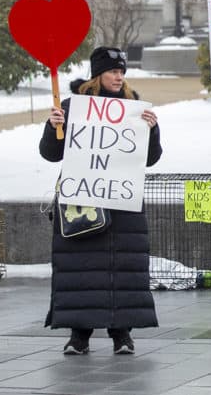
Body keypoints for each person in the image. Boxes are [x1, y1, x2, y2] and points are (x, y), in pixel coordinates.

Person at [39, 46, 163, 356]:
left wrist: (152, 128)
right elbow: (51, 153)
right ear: (98, 74)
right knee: (81, 269)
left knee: (122, 270)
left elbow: (151, 158)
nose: (119, 76)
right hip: (84, 202)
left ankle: (122, 333)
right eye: (112, 70)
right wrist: (54, 125)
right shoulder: (72, 108)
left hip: (123, 205)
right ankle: (79, 334)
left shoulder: (134, 108)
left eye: (122, 71)